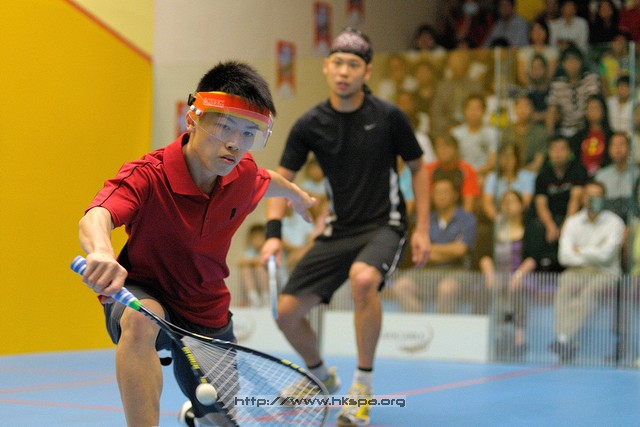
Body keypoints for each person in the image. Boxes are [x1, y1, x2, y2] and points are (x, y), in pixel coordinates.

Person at [76, 61, 317, 427]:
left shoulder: (241, 175)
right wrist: (101, 252)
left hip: (206, 309)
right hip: (146, 290)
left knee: (220, 419)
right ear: (193, 119)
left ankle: (197, 415)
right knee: (142, 319)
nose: (235, 143)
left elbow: (268, 180)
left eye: (249, 133)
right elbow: (98, 215)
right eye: (224, 126)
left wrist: (297, 197)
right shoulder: (149, 175)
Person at [260, 28, 431, 427]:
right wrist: (273, 236)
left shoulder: (389, 118)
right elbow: (279, 180)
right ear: (326, 67)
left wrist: (422, 228)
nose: (344, 71)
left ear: (366, 72)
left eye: (353, 65)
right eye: (337, 63)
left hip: (384, 224)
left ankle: (362, 387)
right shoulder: (309, 124)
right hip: (338, 230)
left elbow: (420, 169)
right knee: (286, 314)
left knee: (363, 279)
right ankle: (320, 377)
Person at [550, 180, 625, 362]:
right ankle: (566, 339)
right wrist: (594, 250)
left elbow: (606, 256)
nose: (593, 200)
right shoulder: (573, 222)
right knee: (564, 285)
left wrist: (579, 249)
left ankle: (562, 337)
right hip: (576, 270)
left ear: (604, 199)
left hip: (605, 273)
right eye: (590, 196)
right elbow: (564, 257)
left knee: (589, 293)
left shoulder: (615, 223)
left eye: (598, 196)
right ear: (583, 198)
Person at [392, 176, 477, 313]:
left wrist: (431, 248)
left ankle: (444, 326)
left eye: (445, 192)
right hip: (426, 269)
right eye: (437, 192)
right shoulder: (424, 220)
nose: (441, 196)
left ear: (455, 195)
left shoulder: (467, 219)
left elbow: (461, 250)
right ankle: (420, 325)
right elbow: (420, 252)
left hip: (458, 270)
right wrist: (450, 249)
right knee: (400, 286)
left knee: (446, 289)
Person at [479, 190, 537, 358]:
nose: (508, 205)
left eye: (512, 201)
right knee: (489, 289)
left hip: (522, 275)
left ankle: (519, 339)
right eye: (505, 202)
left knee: (517, 289)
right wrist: (490, 275)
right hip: (498, 276)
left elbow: (534, 257)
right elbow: (483, 255)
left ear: (522, 206)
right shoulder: (493, 229)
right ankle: (497, 335)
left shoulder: (531, 228)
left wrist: (518, 276)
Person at [528, 135, 588, 272]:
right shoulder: (543, 175)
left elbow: (575, 199)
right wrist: (550, 225)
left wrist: (566, 225)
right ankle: (537, 267)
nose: (558, 153)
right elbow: (540, 204)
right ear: (549, 152)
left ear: (569, 152)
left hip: (573, 216)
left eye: (562, 149)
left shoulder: (578, 170)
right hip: (551, 217)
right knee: (535, 227)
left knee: (574, 228)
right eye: (554, 149)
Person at [546, 45, 600, 139]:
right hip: (565, 130)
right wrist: (550, 136)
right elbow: (551, 111)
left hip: (586, 129)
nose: (572, 64)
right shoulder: (557, 85)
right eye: (568, 61)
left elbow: (594, 104)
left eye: (575, 60)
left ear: (581, 62)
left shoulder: (590, 79)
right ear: (562, 64)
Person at [425, 132, 481, 213]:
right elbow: (424, 200)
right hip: (434, 215)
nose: (443, 150)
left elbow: (468, 204)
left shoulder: (466, 170)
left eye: (446, 146)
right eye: (439, 147)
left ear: (456, 149)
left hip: (459, 214)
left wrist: (463, 219)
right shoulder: (429, 170)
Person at [482, 142, 536, 222]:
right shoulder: (492, 178)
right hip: (499, 218)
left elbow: (526, 203)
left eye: (510, 156)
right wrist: (499, 220)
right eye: (503, 156)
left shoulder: (527, 177)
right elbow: (487, 203)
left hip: (521, 219)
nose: (507, 160)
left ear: (516, 158)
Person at [450, 94, 498, 184]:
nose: (474, 112)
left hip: (483, 175)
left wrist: (474, 174)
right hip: (460, 174)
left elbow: (492, 162)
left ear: (484, 111)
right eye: (470, 108)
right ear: (464, 111)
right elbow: (452, 159)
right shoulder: (456, 133)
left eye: (477, 109)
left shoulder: (492, 133)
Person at [595, 132, 639, 223]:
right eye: (614, 145)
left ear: (630, 148)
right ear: (609, 149)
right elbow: (596, 207)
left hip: (634, 222)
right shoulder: (601, 176)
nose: (618, 148)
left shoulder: (638, 174)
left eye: (621, 144)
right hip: (606, 223)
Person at [502, 94, 549, 174]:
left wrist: (521, 173)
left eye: (526, 106)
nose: (523, 110)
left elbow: (538, 163)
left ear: (533, 109)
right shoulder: (507, 130)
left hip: (532, 173)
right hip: (509, 173)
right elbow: (503, 158)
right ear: (515, 109)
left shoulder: (541, 132)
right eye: (520, 106)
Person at [570, 94, 613, 176]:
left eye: (596, 108)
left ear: (603, 111)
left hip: (604, 174)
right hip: (581, 175)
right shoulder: (578, 136)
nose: (593, 111)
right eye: (590, 108)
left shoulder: (610, 136)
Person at [516, 19, 559, 87]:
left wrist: (541, 89)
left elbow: (550, 75)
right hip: (528, 88)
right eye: (534, 30)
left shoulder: (552, 52)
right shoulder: (524, 52)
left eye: (541, 30)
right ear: (530, 34)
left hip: (547, 88)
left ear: (546, 32)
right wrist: (533, 89)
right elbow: (522, 76)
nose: (538, 33)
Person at [237, 223, 269, 307]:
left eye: (259, 237)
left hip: (271, 282)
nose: (257, 240)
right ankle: (253, 298)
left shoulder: (268, 250)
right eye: (254, 238)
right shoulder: (250, 251)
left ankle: (266, 297)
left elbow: (262, 261)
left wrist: (252, 262)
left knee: (260, 268)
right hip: (255, 283)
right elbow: (241, 262)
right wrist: (252, 262)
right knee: (245, 269)